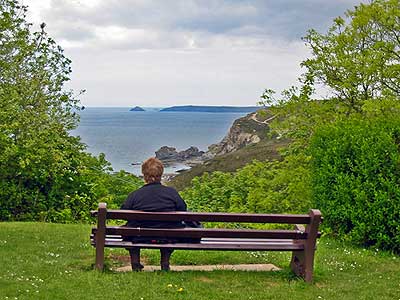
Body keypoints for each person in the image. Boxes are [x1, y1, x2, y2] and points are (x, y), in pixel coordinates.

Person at [121, 157, 189, 271]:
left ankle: (135, 263)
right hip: (167, 236)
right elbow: (183, 209)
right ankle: (165, 263)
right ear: (161, 175)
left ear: (144, 175)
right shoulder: (171, 193)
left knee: (129, 230)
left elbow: (124, 212)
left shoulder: (135, 195)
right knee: (170, 229)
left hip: (139, 236)